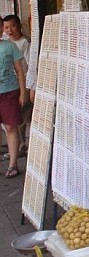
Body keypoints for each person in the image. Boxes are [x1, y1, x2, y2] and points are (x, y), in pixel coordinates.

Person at [0, 23, 28, 178]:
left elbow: (19, 71)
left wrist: (23, 92)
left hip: (10, 92)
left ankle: (13, 164)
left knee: (11, 127)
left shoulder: (10, 47)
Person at [3, 15, 32, 156]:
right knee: (12, 119)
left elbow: (30, 66)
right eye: (7, 27)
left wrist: (28, 88)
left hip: (24, 84)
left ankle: (21, 145)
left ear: (19, 26)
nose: (10, 30)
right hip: (10, 86)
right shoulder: (6, 44)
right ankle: (18, 145)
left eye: (12, 26)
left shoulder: (24, 43)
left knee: (20, 118)